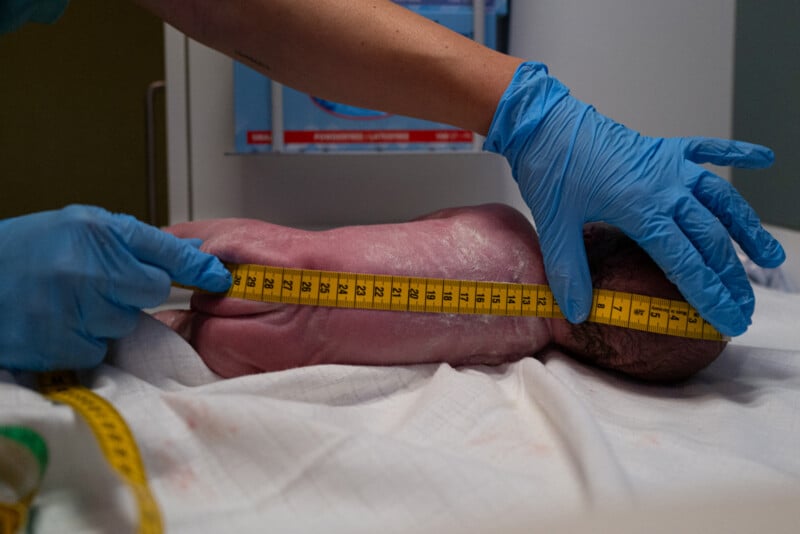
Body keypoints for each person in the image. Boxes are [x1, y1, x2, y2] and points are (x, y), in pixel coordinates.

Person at [0, 0, 783, 372]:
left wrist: (527, 109)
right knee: (239, 264)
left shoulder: (508, 247)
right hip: (284, 277)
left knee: (228, 266)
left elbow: (238, 5)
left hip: (280, 282)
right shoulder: (511, 251)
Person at [154, 204, 727, 383]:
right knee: (175, 333)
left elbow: (422, 221)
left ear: (591, 234)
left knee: (163, 252)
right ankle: (172, 327)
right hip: (261, 349)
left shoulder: (503, 223)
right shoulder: (514, 348)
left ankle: (125, 248)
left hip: (275, 258)